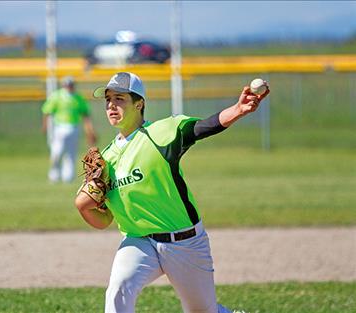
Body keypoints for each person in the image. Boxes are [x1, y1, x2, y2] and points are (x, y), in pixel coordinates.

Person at [75, 72, 270, 313]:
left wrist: (239, 110)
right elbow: (105, 220)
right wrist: (84, 207)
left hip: (184, 241)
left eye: (119, 99)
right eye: (108, 100)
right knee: (118, 291)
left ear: (139, 104)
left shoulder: (162, 133)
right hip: (140, 241)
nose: (111, 105)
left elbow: (203, 127)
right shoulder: (105, 159)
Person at [41, 76, 97, 183]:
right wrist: (45, 126)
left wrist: (90, 131)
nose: (69, 87)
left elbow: (85, 115)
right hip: (59, 127)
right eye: (67, 85)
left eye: (70, 85)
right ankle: (54, 174)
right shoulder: (56, 96)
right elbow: (47, 111)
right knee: (57, 151)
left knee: (71, 154)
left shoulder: (78, 98)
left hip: (74, 127)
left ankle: (68, 177)